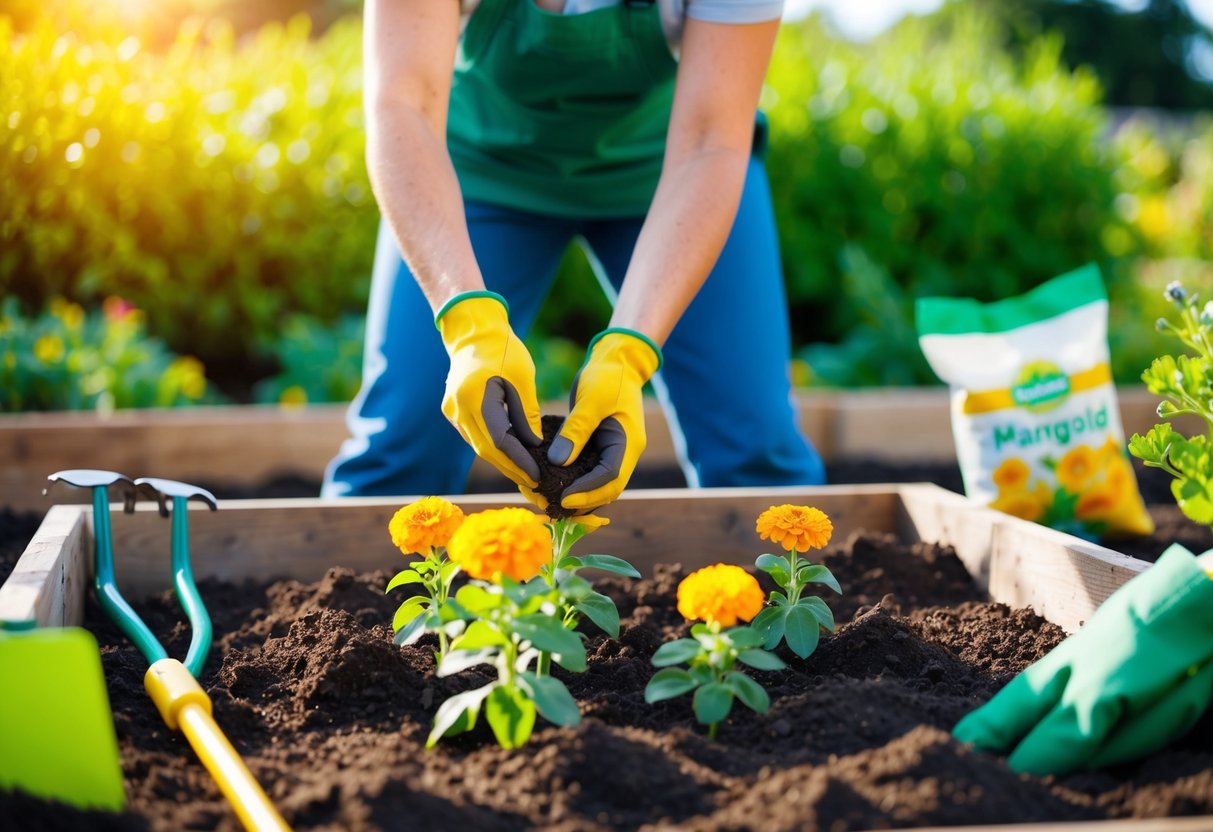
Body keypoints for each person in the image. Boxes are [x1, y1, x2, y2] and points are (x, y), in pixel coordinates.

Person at [322, 0, 825, 510]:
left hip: (672, 173)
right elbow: (403, 105)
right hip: (484, 170)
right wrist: (468, 322)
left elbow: (710, 140)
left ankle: (787, 592)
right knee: (404, 446)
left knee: (755, 455)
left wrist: (629, 352)